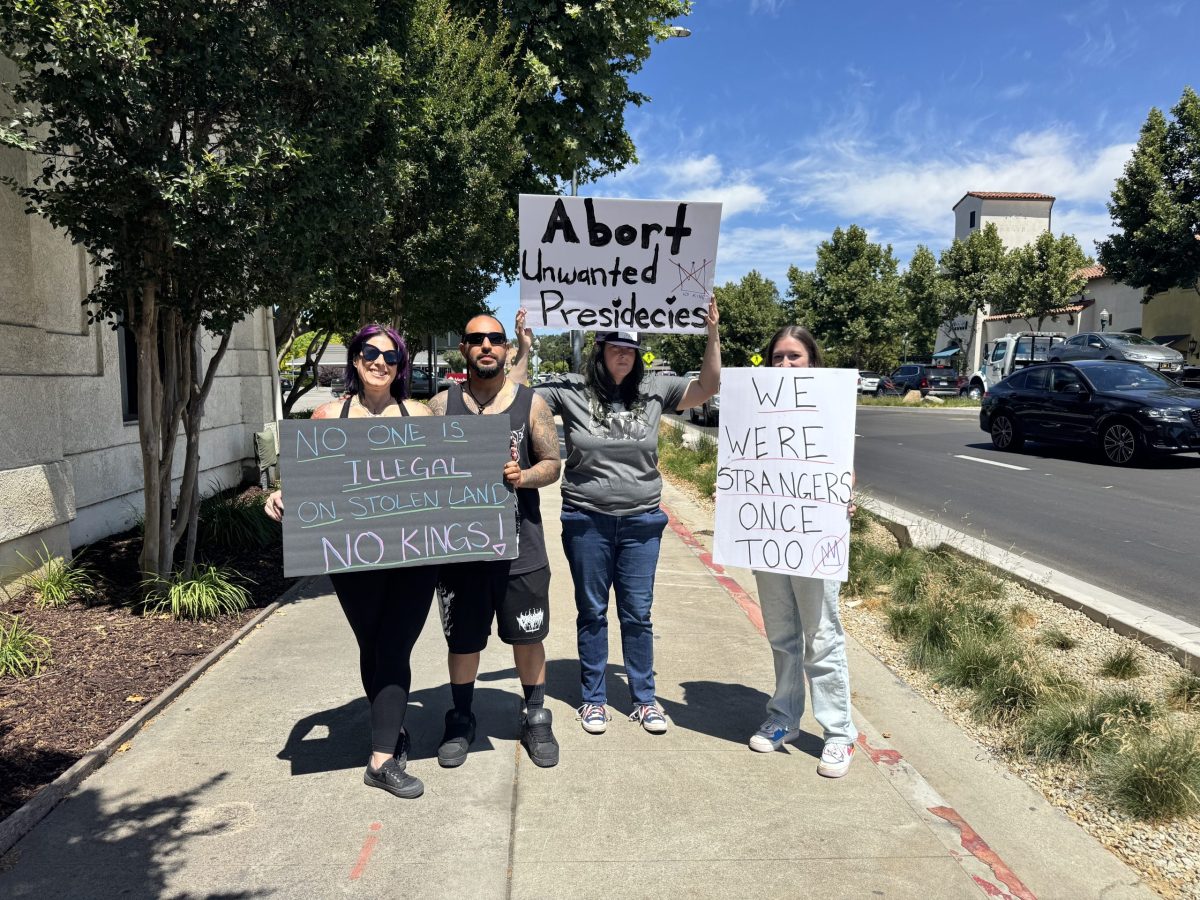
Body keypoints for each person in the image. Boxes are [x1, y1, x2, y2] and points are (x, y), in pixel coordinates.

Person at [511, 301, 720, 735]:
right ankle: (594, 699)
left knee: (637, 613)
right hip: (587, 519)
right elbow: (516, 397)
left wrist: (712, 334)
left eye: (631, 347)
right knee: (592, 611)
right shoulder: (571, 389)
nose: (624, 353)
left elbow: (707, 386)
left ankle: (644, 700)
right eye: (615, 346)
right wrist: (523, 348)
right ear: (600, 350)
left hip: (642, 522)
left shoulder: (656, 389)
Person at [265, 324, 437, 799]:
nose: (380, 361)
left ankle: (381, 758)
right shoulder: (327, 416)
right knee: (372, 644)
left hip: (416, 553)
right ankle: (392, 729)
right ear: (355, 360)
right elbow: (310, 479)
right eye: (370, 352)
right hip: (354, 554)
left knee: (395, 645)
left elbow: (450, 472)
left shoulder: (419, 415)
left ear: (402, 365)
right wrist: (283, 494)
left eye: (391, 355)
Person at [428, 315, 562, 768]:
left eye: (495, 339)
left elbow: (553, 463)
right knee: (463, 642)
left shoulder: (530, 405)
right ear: (463, 348)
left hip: (521, 550)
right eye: (476, 339)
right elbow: (402, 461)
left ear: (506, 349)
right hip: (460, 552)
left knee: (528, 636)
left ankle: (536, 714)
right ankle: (462, 717)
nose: (486, 345)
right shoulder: (440, 406)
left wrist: (523, 477)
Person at [747, 325, 857, 778]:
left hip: (815, 536)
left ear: (812, 361)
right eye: (777, 358)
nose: (785, 365)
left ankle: (839, 733)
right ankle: (784, 718)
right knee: (781, 633)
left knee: (822, 634)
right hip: (770, 534)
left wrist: (845, 492)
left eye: (794, 356)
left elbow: (839, 465)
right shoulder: (755, 406)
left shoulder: (830, 405)